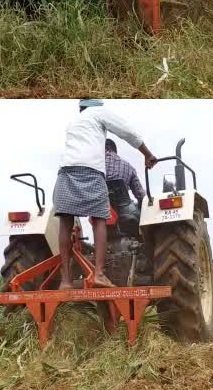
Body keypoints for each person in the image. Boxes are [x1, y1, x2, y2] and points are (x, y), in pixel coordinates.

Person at [53, 99, 158, 289]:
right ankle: (99, 274)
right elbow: (128, 132)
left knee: (65, 221)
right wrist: (147, 154)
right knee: (100, 217)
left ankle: (66, 281)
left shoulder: (74, 123)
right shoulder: (99, 113)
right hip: (92, 173)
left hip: (66, 171)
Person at [105, 138, 146, 224]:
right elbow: (140, 195)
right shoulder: (128, 167)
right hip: (125, 211)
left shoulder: (95, 164)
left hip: (101, 211)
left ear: (107, 148)